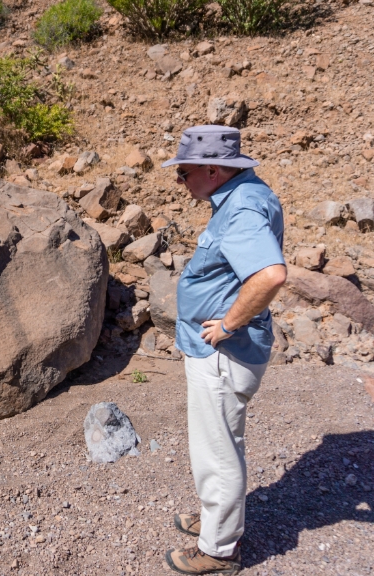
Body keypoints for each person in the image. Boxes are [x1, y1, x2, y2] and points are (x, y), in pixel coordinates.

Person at [160, 126, 287, 575]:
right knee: (215, 444)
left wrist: (229, 323)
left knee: (218, 450)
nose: (181, 182)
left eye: (185, 173)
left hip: (224, 354)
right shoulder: (242, 194)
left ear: (213, 170)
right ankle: (217, 521)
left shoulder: (244, 208)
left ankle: (218, 549)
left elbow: (271, 275)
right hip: (222, 352)